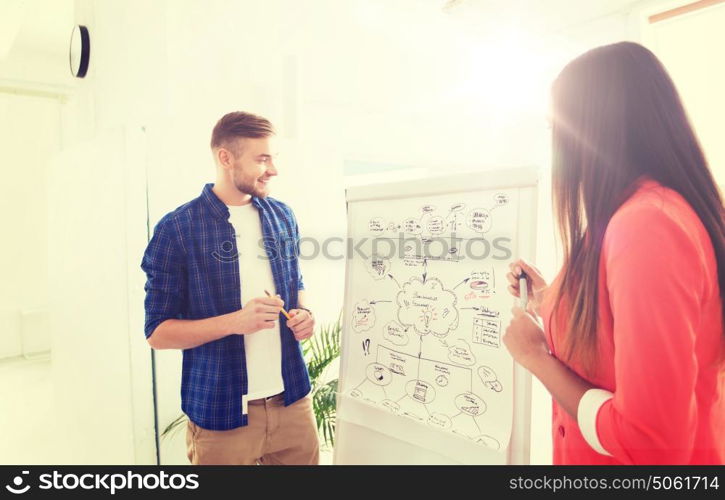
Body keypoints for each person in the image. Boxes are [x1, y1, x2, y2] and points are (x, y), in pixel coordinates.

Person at [503, 42, 725, 465]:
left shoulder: (647, 225)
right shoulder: (645, 212)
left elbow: (654, 443)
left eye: (558, 129)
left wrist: (535, 358)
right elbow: (610, 336)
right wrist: (546, 299)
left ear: (593, 130)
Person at [140, 111, 319, 465]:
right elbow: (157, 334)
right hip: (222, 418)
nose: (273, 169)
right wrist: (236, 322)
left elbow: (295, 283)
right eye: (262, 159)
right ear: (226, 158)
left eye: (274, 158)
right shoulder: (176, 229)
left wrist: (306, 315)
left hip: (293, 404)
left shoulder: (283, 216)